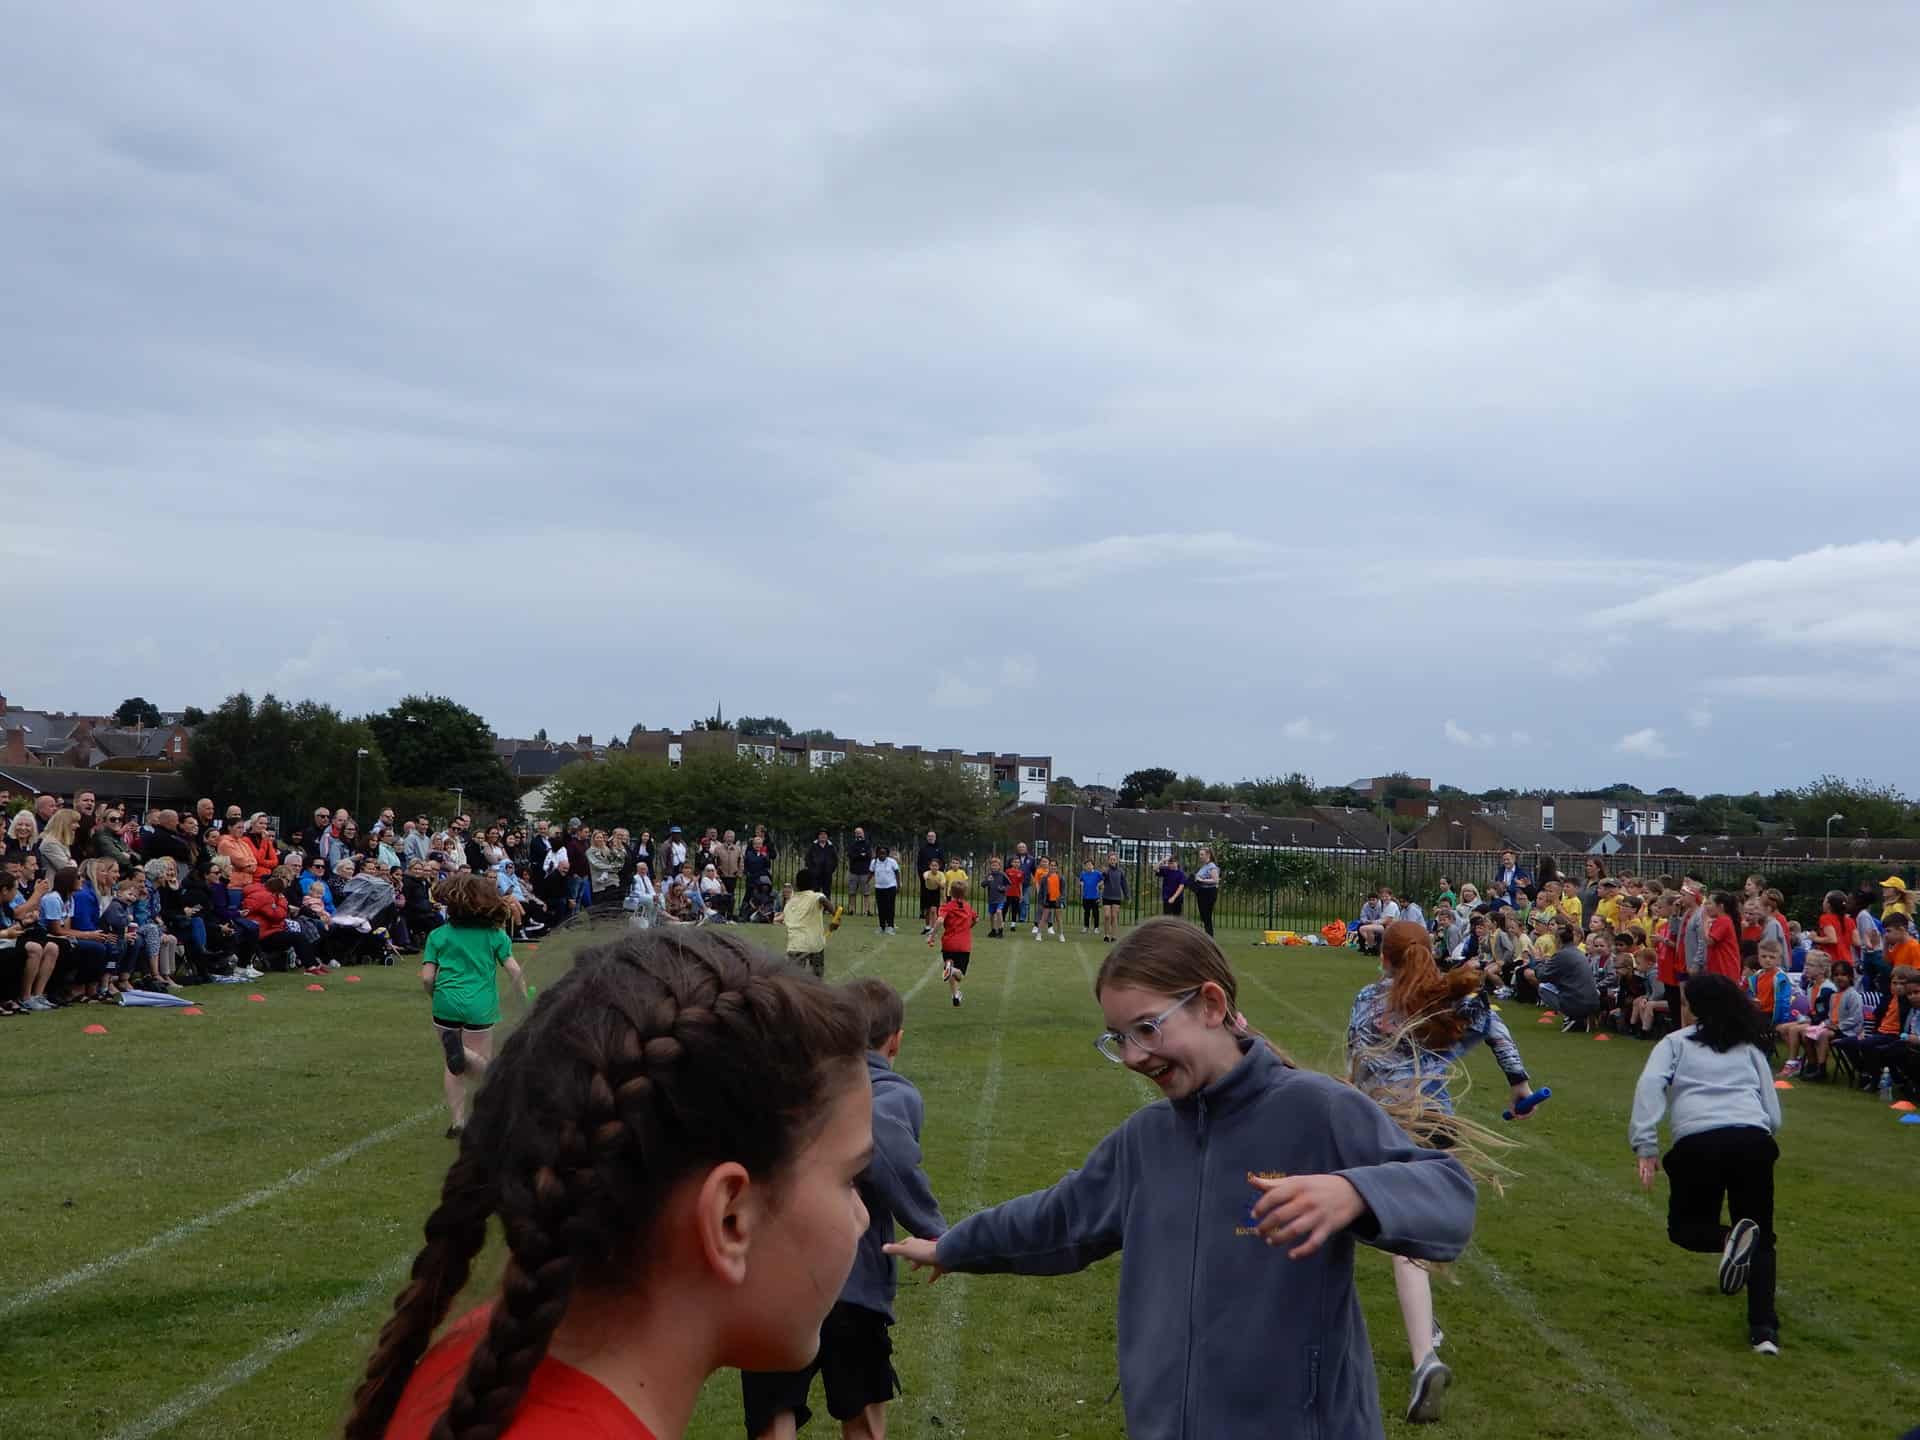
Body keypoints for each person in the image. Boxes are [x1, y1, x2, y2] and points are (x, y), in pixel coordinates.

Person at [884, 917, 1476, 1440]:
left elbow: (1450, 1196)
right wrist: (954, 1246)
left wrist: (1354, 1192)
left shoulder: (1316, 1110)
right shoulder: (1145, 1142)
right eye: (1119, 1038)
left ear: (1211, 1005)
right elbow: (1057, 1219)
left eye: (1147, 1029)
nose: (1133, 1056)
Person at [347, 929, 873, 1440]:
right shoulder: (499, 1371)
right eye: (852, 1178)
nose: (864, 1217)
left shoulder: (482, 1358)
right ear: (730, 1219)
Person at [1347, 921, 1542, 1423]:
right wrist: (1519, 1086)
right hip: (1437, 1125)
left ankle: (1424, 1359)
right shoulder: (1446, 997)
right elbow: (1494, 1026)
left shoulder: (1368, 998)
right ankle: (1426, 1331)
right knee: (1406, 1234)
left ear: (1383, 957)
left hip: (1387, 1125)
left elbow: (1357, 1064)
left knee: (1397, 1241)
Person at [739, 977, 947, 1440]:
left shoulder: (786, 1086)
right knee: (863, 1419)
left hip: (773, 1284)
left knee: (773, 1417)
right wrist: (935, 1230)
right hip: (853, 1283)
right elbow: (887, 1148)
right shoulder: (891, 1094)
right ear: (896, 1041)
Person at [1630, 972, 1783, 1356]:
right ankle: (1764, 1331)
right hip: (1753, 1140)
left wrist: (1646, 1144)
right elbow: (1773, 1111)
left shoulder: (1674, 1043)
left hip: (1699, 1141)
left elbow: (1650, 1086)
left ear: (1694, 1009)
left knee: (1685, 1229)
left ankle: (1728, 1240)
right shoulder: (1749, 1048)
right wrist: (1760, 1133)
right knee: (1761, 1236)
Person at [420, 875, 529, 1139]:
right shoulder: (495, 936)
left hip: (445, 1003)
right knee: (481, 1064)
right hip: (480, 1006)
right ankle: (495, 1098)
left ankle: (458, 1122)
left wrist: (434, 995)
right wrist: (523, 1000)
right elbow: (515, 972)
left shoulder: (438, 935)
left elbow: (427, 978)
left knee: (453, 1065)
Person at [1525, 921, 1601, 1032]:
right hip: (1592, 1000)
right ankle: (1582, 1016)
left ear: (1558, 940)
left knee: (1543, 987)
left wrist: (1538, 961)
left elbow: (1542, 976)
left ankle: (1573, 1016)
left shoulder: (1563, 954)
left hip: (1578, 1001)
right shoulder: (1577, 952)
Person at [779, 868, 836, 978]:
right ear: (813, 884)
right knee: (816, 977)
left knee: (794, 979)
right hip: (815, 944)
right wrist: (835, 916)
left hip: (795, 945)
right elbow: (823, 900)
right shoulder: (816, 896)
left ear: (796, 885)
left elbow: (789, 922)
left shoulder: (789, 903)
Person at [930, 877, 978, 1008]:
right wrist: (969, 926)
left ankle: (955, 995)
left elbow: (940, 920)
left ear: (950, 892)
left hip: (948, 944)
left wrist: (932, 936)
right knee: (959, 974)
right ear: (965, 893)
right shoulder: (968, 907)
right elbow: (976, 919)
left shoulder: (947, 907)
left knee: (950, 967)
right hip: (963, 945)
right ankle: (952, 975)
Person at [869, 845, 900, 935]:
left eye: (884, 853)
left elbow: (897, 873)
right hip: (879, 888)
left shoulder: (892, 862)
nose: (882, 855)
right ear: (877, 854)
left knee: (890, 907)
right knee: (881, 908)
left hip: (890, 887)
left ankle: (890, 926)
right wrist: (866, 882)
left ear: (887, 854)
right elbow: (871, 872)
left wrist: (898, 885)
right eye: (880, 853)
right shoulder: (874, 862)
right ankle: (881, 926)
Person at [1191, 847, 1221, 937]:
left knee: (1206, 916)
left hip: (1209, 893)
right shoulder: (1204, 866)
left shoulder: (1211, 866)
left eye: (1202, 854)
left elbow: (1216, 880)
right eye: (1200, 854)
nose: (1200, 856)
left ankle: (1209, 937)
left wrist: (1202, 880)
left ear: (1208, 855)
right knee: (1204, 916)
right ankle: (1207, 936)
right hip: (1202, 892)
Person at [1100, 851, 1128, 943]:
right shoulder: (1106, 871)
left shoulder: (1120, 871)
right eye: (1111, 859)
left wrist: (1127, 895)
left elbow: (1124, 884)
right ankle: (1106, 935)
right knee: (1107, 916)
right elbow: (1102, 879)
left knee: (1114, 916)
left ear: (1117, 861)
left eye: (1114, 859)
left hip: (1116, 897)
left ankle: (1114, 936)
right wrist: (1103, 873)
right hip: (1106, 896)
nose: (1112, 861)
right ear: (1108, 861)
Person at [844, 827, 873, 917]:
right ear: (855, 834)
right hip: (853, 872)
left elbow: (869, 855)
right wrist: (861, 855)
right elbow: (851, 855)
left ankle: (866, 910)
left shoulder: (867, 844)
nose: (859, 834)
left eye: (860, 833)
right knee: (852, 892)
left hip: (865, 872)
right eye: (857, 833)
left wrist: (858, 855)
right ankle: (852, 910)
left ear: (863, 833)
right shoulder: (852, 844)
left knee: (866, 892)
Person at [918, 855, 945, 939]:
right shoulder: (927, 873)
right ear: (930, 866)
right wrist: (927, 878)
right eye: (932, 865)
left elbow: (942, 886)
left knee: (933, 910)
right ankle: (927, 927)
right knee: (927, 911)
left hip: (935, 892)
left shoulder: (941, 874)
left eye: (936, 865)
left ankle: (933, 929)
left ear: (939, 867)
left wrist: (937, 882)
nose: (934, 867)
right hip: (927, 891)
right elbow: (925, 876)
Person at [1158, 854, 1187, 918]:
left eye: (1172, 863)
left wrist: (1174, 897)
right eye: (1169, 863)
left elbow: (1181, 887)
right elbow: (1155, 868)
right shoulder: (1166, 871)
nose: (1170, 865)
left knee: (1176, 918)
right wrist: (1162, 860)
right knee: (1167, 918)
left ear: (1177, 863)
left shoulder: (1181, 874)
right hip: (1167, 898)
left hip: (1177, 899)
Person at [1078, 858, 1103, 934]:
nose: (1088, 866)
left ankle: (1096, 928)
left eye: (1090, 865)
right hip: (1086, 897)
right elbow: (1080, 881)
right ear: (1085, 866)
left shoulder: (1097, 873)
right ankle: (1086, 927)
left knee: (1095, 913)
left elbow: (1103, 880)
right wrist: (1081, 884)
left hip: (1095, 897)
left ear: (1093, 866)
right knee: (1086, 912)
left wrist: (1099, 885)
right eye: (1087, 865)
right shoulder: (1083, 874)